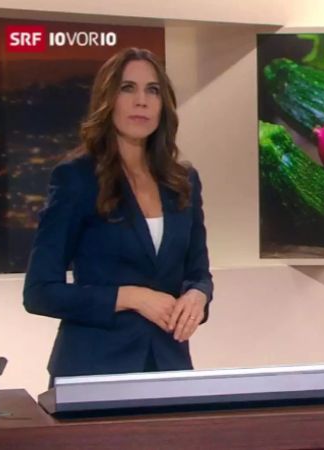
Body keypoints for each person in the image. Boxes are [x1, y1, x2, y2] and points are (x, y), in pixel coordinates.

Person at [23, 48, 213, 382]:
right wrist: (131, 297)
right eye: (128, 88)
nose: (142, 101)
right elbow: (40, 292)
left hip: (168, 367)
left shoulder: (183, 181)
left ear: (163, 104)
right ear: (107, 99)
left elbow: (198, 272)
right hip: (94, 371)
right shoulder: (76, 177)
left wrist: (198, 296)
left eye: (152, 90)